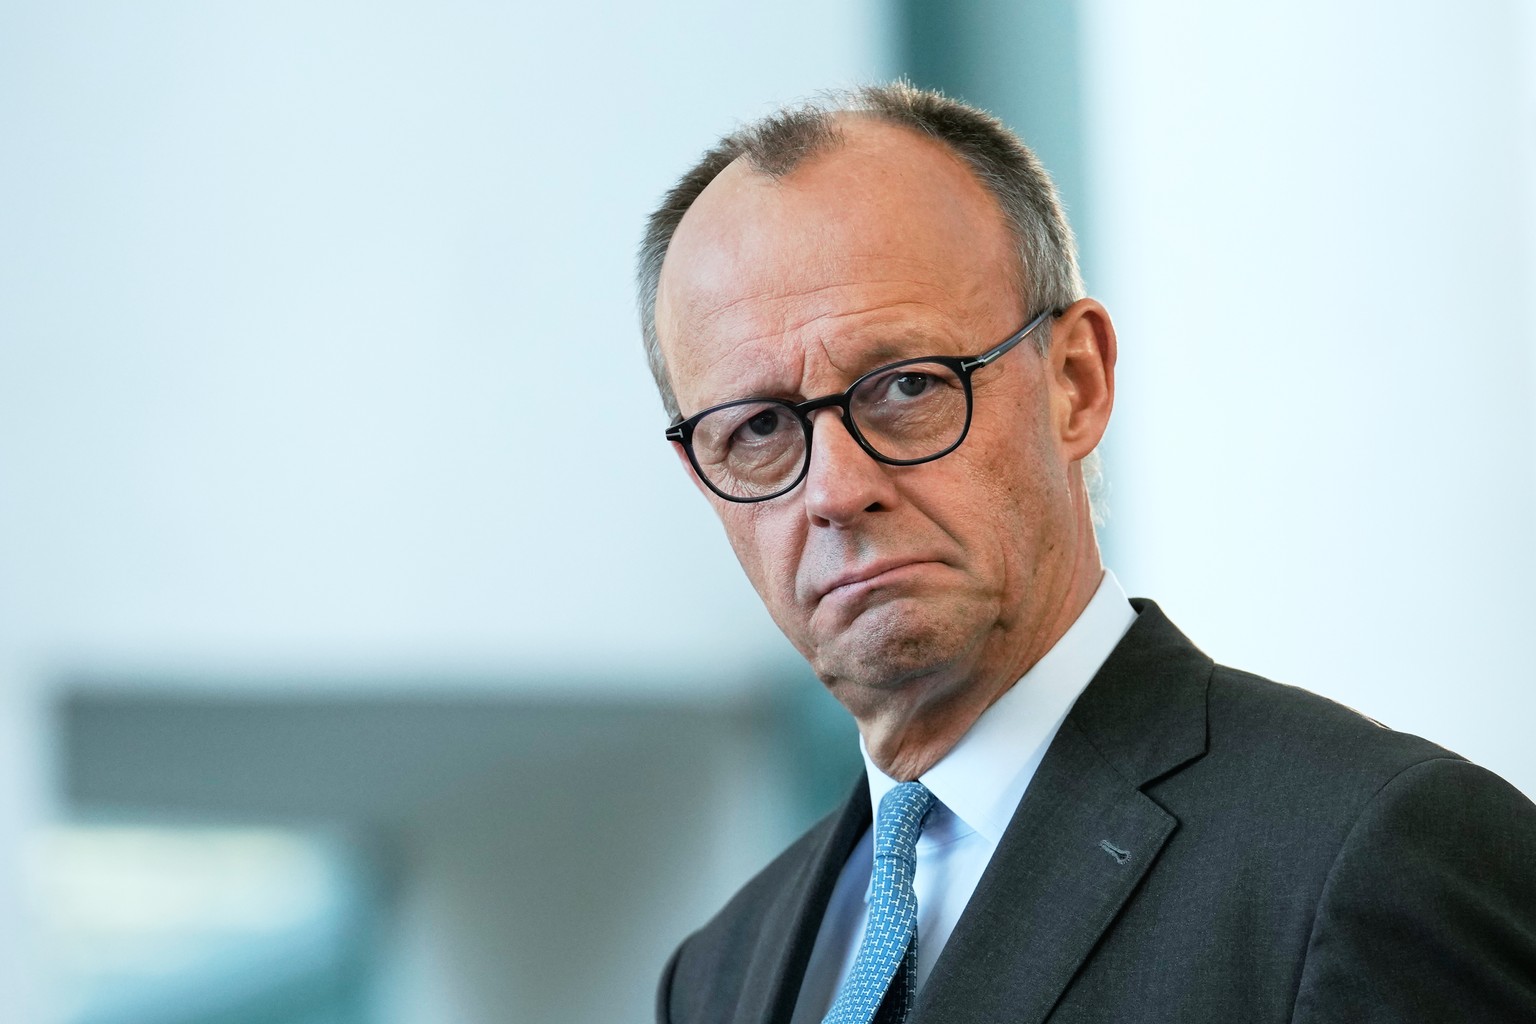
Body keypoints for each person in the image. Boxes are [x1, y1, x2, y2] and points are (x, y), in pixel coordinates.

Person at [636, 83, 1536, 1024]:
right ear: (704, 477)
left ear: (1076, 383)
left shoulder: (1367, 858)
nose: (832, 490)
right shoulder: (716, 976)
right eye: (761, 428)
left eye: (907, 385)